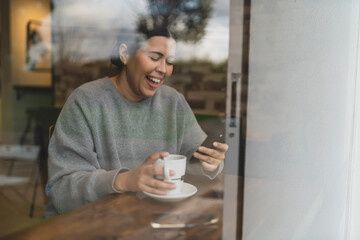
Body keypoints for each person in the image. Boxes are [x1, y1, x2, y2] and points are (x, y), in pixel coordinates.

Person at [45, 27, 228, 214]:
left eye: (170, 61)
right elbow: (61, 189)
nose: (163, 69)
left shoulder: (173, 102)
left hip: (151, 219)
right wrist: (125, 181)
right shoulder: (87, 101)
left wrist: (212, 163)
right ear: (124, 54)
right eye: (154, 57)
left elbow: (193, 166)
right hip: (93, 222)